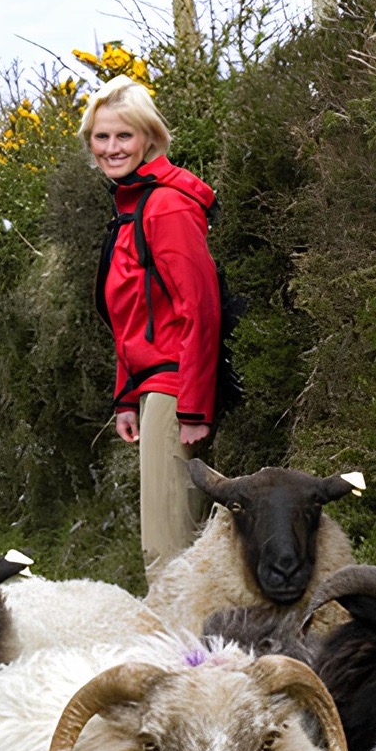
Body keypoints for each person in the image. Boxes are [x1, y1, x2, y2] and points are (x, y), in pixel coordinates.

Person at [83, 75, 222, 581]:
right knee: (170, 546)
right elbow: (134, 314)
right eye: (102, 137)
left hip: (176, 388)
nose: (112, 148)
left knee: (167, 552)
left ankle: (179, 656)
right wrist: (125, 397)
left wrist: (193, 407)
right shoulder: (132, 205)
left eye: (124, 136)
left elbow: (200, 309)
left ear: (150, 139)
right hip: (154, 389)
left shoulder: (165, 206)